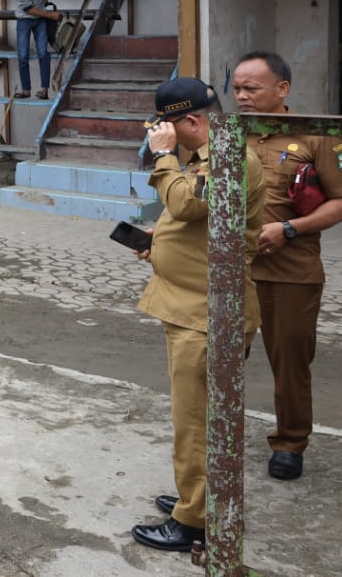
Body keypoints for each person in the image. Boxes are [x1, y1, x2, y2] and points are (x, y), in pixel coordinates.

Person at [129, 76, 265, 553]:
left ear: (190, 120)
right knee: (195, 419)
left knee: (197, 423)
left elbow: (186, 204)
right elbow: (189, 221)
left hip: (210, 315)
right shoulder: (207, 158)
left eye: (164, 127)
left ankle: (197, 521)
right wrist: (158, 246)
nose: (159, 134)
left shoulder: (233, 158)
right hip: (190, 306)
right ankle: (196, 500)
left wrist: (163, 157)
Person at [232, 50, 342, 482]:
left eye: (251, 88)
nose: (242, 97)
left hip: (291, 272)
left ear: (282, 89)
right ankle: (219, 432)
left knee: (289, 363)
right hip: (233, 271)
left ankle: (289, 442)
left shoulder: (317, 136)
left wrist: (289, 228)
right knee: (221, 357)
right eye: (236, 89)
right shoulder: (231, 134)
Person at [14, 0, 61, 99]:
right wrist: (49, 15)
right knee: (23, 56)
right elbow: (28, 9)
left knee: (43, 54)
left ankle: (44, 90)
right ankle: (26, 90)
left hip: (39, 20)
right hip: (25, 20)